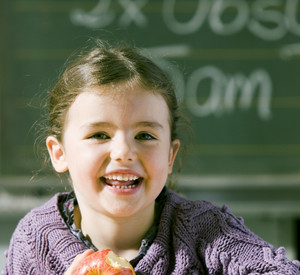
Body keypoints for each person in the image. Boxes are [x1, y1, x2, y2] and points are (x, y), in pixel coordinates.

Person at [2, 40, 300, 275]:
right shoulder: (35, 241)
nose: (123, 153)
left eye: (145, 136)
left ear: (170, 155)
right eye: (99, 135)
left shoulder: (206, 231)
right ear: (59, 153)